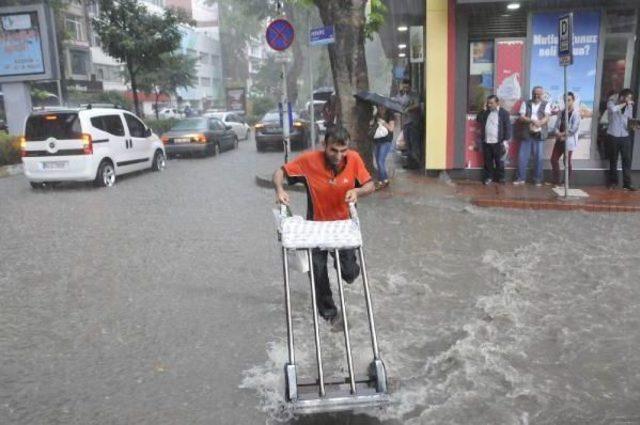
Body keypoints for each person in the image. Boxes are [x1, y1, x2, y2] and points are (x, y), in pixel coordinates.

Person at [273, 126, 375, 321]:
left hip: (342, 228)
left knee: (349, 274)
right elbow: (279, 172)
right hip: (316, 228)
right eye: (333, 150)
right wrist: (279, 190)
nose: (338, 155)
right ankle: (330, 314)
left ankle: (347, 268)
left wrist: (358, 192)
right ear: (324, 146)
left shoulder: (353, 159)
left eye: (343, 150)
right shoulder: (309, 161)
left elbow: (370, 185)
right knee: (318, 273)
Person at [516, 86, 551, 186]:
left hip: (539, 134)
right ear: (532, 93)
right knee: (522, 157)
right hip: (527, 133)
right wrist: (531, 120)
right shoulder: (525, 103)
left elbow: (547, 117)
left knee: (538, 158)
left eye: (539, 94)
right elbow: (521, 117)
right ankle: (520, 178)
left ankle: (537, 179)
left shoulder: (546, 104)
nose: (536, 96)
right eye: (534, 94)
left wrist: (539, 123)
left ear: (542, 94)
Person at [476, 95, 512, 185]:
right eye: (488, 103)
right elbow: (478, 119)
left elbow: (507, 127)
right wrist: (483, 109)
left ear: (497, 103)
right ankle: (489, 177)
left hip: (498, 142)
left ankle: (501, 178)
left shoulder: (504, 113)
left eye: (491, 103)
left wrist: (505, 140)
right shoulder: (486, 112)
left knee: (499, 162)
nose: (489, 105)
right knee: (488, 161)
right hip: (487, 141)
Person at [607, 88, 637, 191]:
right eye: (628, 98)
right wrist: (625, 104)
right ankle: (613, 182)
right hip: (613, 135)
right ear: (622, 97)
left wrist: (633, 126)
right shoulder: (611, 102)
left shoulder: (629, 106)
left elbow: (629, 119)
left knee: (626, 160)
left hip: (625, 135)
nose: (630, 100)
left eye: (630, 98)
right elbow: (613, 110)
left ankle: (627, 184)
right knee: (613, 160)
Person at [550, 92, 581, 186]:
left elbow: (574, 129)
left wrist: (563, 134)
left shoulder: (576, 114)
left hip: (568, 141)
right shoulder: (562, 112)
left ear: (573, 100)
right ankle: (557, 180)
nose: (566, 102)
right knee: (553, 159)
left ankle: (566, 182)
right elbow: (556, 125)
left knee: (566, 161)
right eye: (565, 100)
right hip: (559, 140)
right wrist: (557, 133)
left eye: (569, 100)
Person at [396, 79, 422, 169]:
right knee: (407, 144)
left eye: (407, 87)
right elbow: (397, 102)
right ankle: (410, 162)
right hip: (406, 123)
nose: (405, 88)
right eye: (404, 87)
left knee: (414, 143)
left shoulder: (414, 94)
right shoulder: (402, 95)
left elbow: (417, 104)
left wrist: (409, 109)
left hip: (413, 122)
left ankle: (417, 163)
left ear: (410, 86)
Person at [371, 105, 395, 189]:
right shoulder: (376, 115)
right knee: (377, 161)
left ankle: (383, 180)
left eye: (383, 107)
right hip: (377, 140)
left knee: (381, 161)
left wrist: (383, 123)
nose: (381, 109)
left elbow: (391, 129)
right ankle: (383, 180)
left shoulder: (390, 115)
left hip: (386, 141)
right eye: (380, 107)